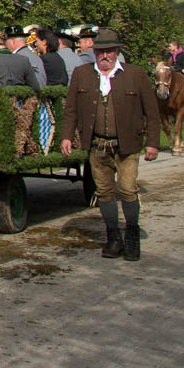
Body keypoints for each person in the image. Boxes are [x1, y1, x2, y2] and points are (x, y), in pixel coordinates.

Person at [60, 42, 160, 260]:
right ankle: (113, 237)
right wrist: (66, 136)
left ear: (117, 53)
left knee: (127, 189)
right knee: (104, 192)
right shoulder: (81, 73)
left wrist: (153, 142)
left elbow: (151, 111)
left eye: (109, 51)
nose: (105, 56)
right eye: (100, 51)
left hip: (127, 145)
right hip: (97, 145)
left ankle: (132, 235)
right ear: (94, 53)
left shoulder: (135, 74)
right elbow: (71, 110)